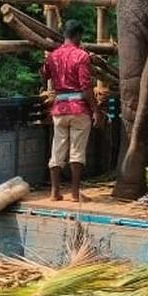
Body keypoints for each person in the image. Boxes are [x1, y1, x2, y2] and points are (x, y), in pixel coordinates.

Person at [41, 20, 97, 201]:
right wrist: (95, 109)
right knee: (77, 152)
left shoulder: (53, 56)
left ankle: (55, 192)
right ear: (78, 35)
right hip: (79, 108)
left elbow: (44, 73)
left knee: (57, 150)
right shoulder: (81, 56)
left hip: (59, 108)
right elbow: (86, 88)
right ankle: (74, 193)